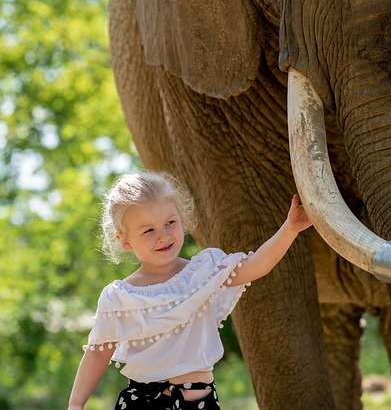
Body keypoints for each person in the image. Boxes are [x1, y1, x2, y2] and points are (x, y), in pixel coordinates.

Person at [68, 171, 312, 410]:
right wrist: (75, 404)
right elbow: (98, 354)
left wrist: (290, 228)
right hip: (141, 402)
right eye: (148, 230)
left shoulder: (204, 272)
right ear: (125, 241)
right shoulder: (121, 297)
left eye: (170, 223)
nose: (163, 236)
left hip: (198, 403)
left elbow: (257, 265)